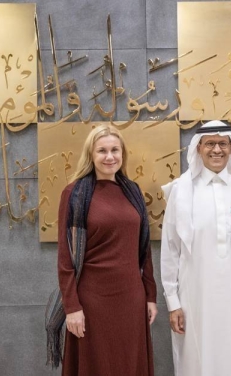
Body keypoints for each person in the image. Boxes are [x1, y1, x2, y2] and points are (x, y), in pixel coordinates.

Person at [160, 120, 231, 376]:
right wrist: (173, 302)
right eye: (210, 143)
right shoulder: (181, 191)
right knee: (196, 359)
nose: (217, 150)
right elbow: (170, 250)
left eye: (223, 143)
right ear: (198, 148)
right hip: (194, 297)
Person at [45, 124, 157, 375]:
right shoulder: (73, 194)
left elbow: (144, 250)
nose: (109, 157)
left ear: (123, 154)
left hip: (131, 298)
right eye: (102, 151)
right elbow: (65, 258)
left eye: (115, 150)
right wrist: (72, 307)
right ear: (91, 155)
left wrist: (150, 295)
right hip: (92, 301)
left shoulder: (133, 192)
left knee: (128, 363)